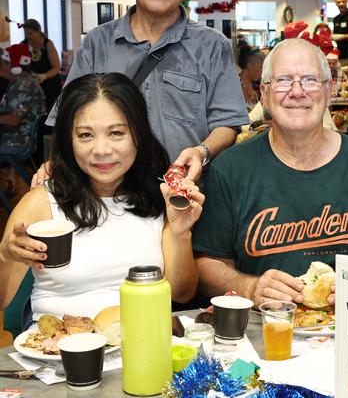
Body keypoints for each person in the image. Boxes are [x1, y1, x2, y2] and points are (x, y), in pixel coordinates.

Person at [192, 38, 348, 308]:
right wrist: (250, 287)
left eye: (310, 80)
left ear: (329, 90)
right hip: (263, 332)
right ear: (264, 94)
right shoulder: (229, 170)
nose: (297, 91)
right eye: (283, 80)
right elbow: (208, 264)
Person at [41, 0, 249, 183]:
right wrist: (55, 163)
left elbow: (227, 124)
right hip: (108, 197)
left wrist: (201, 151)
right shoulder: (97, 43)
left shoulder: (212, 46)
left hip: (186, 195)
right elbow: (68, 117)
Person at [0, 73, 204, 319]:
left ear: (138, 134)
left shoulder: (159, 198)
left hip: (141, 343)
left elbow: (181, 294)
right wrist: (4, 255)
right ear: (69, 140)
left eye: (116, 133)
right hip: (57, 349)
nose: (102, 150)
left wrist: (182, 234)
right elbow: (3, 300)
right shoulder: (41, 202)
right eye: (85, 135)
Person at [0, 44, 46, 156]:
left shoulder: (23, 86)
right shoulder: (24, 82)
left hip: (19, 140)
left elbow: (13, 120)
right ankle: (12, 173)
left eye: (2, 64)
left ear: (13, 66)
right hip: (19, 137)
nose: (0, 68)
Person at [21, 19, 62, 112]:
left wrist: (44, 76)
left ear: (38, 32)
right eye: (26, 33)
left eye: (30, 33)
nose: (28, 36)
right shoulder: (23, 44)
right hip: (33, 86)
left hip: (50, 85)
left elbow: (56, 67)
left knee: (49, 113)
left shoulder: (48, 44)